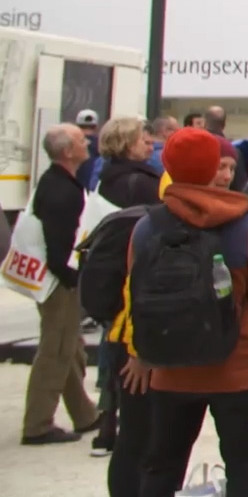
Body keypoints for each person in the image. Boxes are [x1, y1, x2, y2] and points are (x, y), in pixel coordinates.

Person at [131, 127, 248, 497]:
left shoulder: (147, 227)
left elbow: (135, 292)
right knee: (246, 471)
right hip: (236, 365)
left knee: (162, 467)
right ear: (215, 165)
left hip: (170, 366)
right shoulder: (245, 225)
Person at [20, 124, 100, 446]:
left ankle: (84, 414)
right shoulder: (62, 190)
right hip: (58, 282)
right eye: (81, 140)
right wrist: (72, 279)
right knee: (55, 350)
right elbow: (59, 247)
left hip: (56, 280)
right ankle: (38, 424)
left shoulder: (58, 181)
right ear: (68, 151)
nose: (87, 142)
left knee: (71, 347)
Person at [91, 117, 161, 456]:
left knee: (111, 341)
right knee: (125, 340)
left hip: (109, 272)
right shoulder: (140, 183)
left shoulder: (105, 177)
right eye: (142, 138)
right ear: (125, 142)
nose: (150, 142)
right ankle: (120, 414)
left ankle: (107, 415)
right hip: (130, 272)